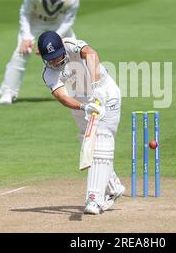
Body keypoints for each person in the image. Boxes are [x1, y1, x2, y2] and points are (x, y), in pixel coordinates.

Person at [38, 31, 125, 214]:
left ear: (62, 48)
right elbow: (62, 97)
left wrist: (95, 87)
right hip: (81, 103)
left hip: (105, 92)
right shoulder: (48, 74)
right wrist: (84, 107)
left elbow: (91, 54)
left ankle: (94, 199)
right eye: (50, 59)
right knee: (88, 144)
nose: (54, 62)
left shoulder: (70, 44)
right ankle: (113, 188)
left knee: (101, 139)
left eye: (57, 57)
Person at [0, 0, 80, 104]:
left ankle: (79, 91)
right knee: (21, 53)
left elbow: (68, 21)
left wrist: (55, 38)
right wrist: (26, 37)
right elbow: (24, 13)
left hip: (59, 26)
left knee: (74, 52)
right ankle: (8, 92)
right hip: (35, 23)